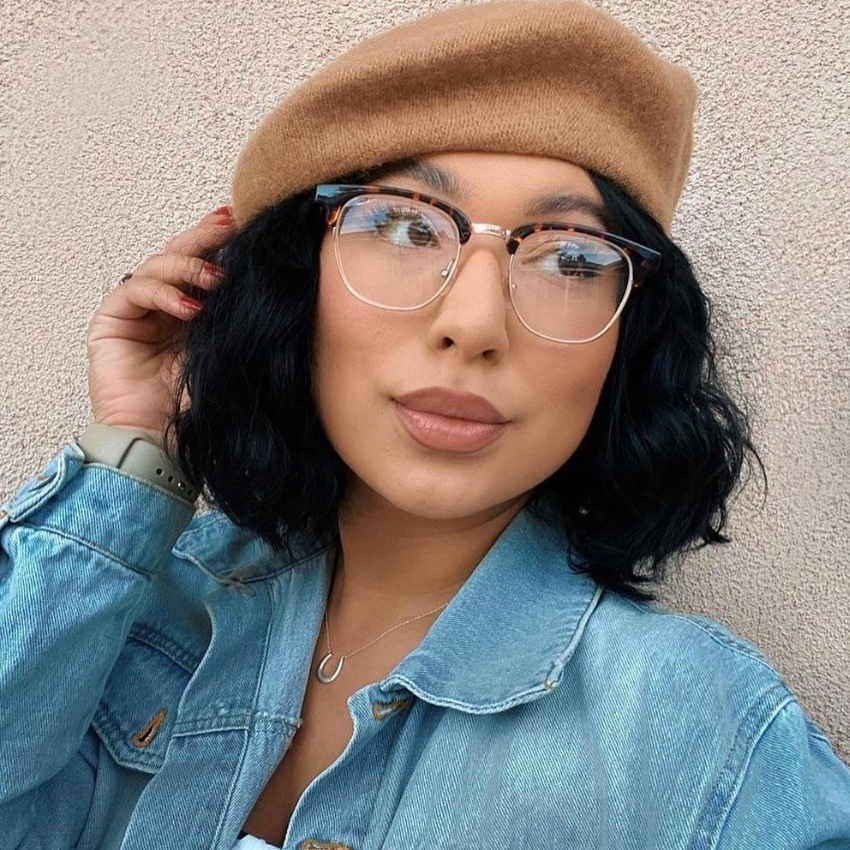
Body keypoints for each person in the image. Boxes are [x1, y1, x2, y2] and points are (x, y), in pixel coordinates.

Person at [1, 1, 849, 848]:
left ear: (628, 342)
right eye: (406, 226)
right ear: (297, 288)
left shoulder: (707, 743)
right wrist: (134, 457)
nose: (474, 323)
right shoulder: (127, 614)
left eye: (572, 258)